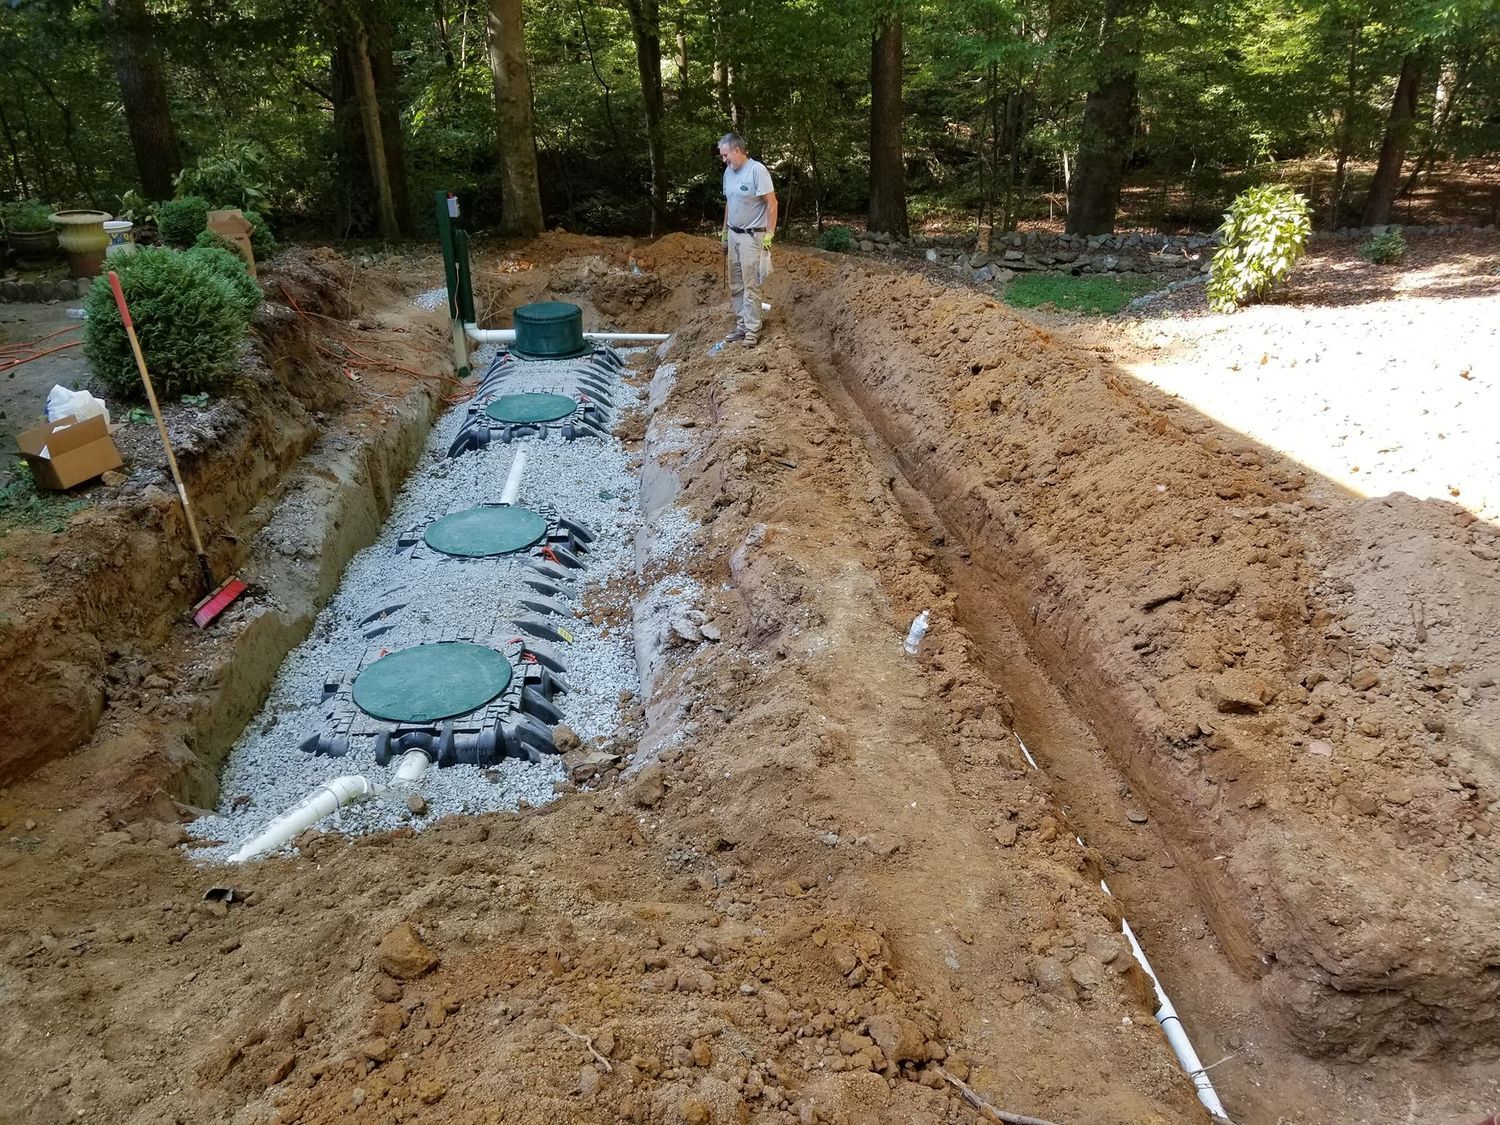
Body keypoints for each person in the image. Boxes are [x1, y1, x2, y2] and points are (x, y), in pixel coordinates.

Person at [718, 133, 777, 347]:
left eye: (726, 155)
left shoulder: (757, 171)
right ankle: (741, 324)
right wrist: (725, 233)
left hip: (753, 236)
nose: (724, 160)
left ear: (737, 151)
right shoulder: (728, 172)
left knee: (751, 284)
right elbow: (729, 203)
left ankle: (752, 330)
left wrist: (769, 233)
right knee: (736, 283)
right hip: (734, 234)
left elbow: (772, 203)